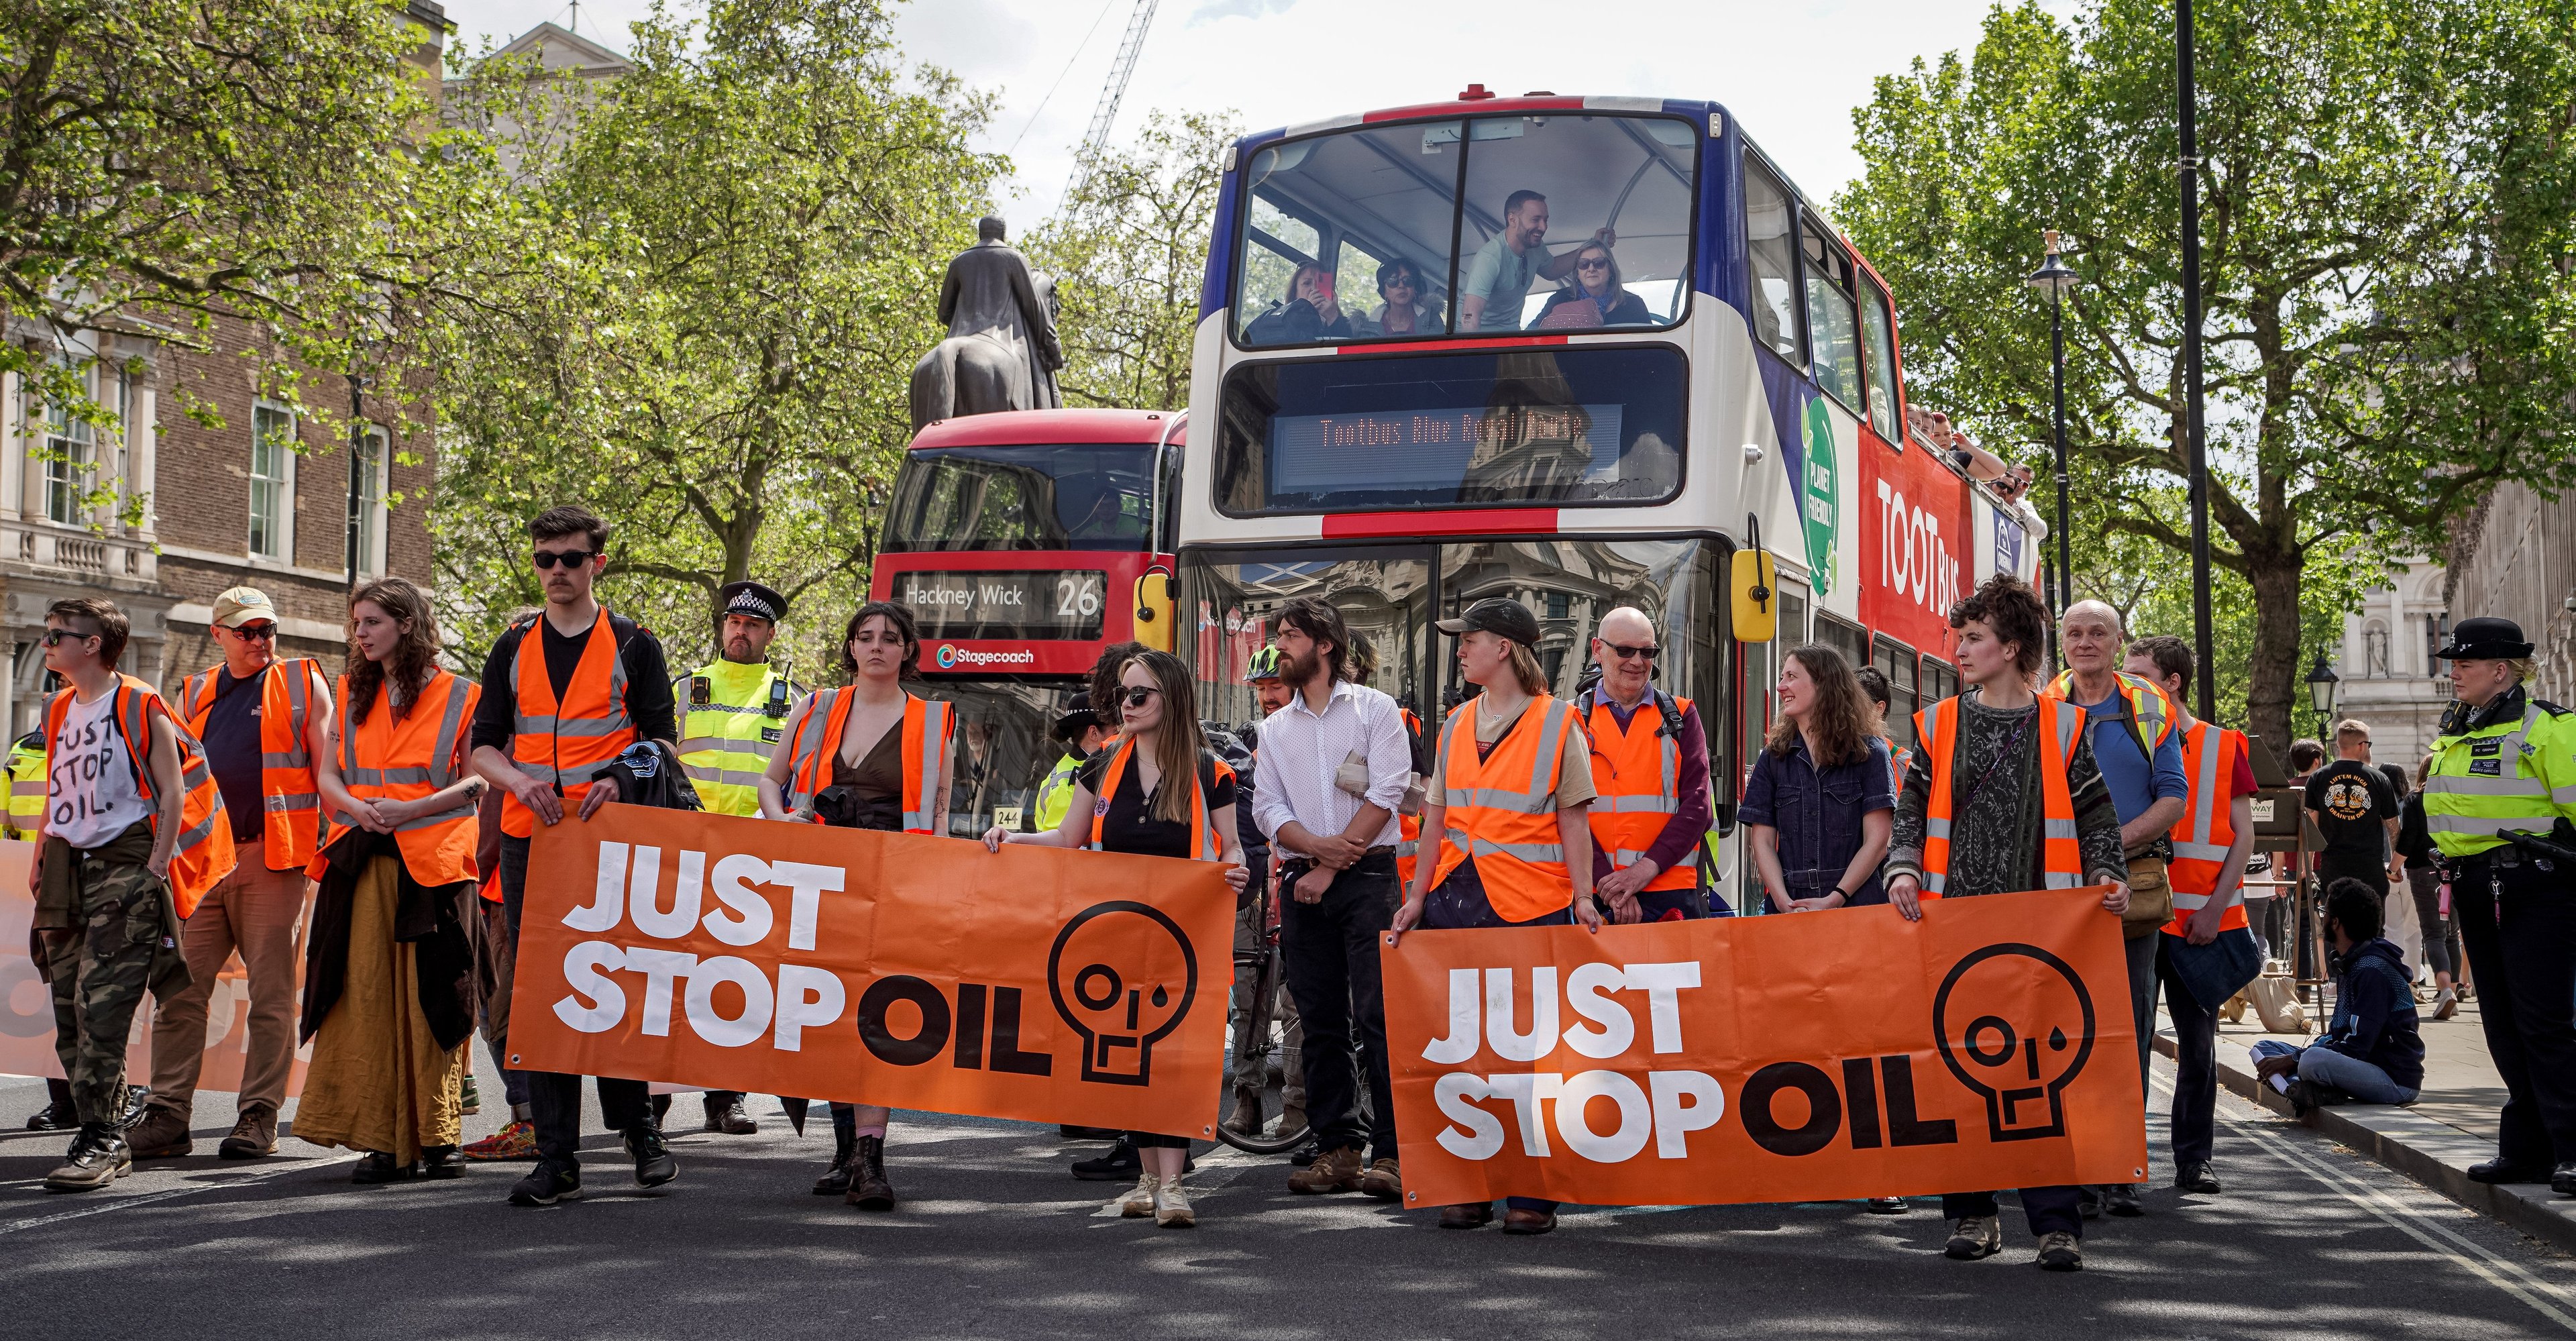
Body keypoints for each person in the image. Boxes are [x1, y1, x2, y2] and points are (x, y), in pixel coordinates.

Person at [1884, 574, 2129, 1271]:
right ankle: (1971, 1214)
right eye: (1962, 638)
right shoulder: (1937, 723)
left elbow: (2095, 814)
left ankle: (2056, 1225)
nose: (1961, 649)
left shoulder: (2064, 724)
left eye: (1975, 638)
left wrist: (2106, 875)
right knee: (1957, 1073)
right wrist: (1903, 869)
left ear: (2012, 647)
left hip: (2041, 929)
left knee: (2036, 1079)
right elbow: (1911, 809)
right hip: (1951, 923)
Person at [983, 649, 1248, 1228]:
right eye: (1122, 695)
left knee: (1175, 1058)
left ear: (1171, 698)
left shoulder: (1210, 771)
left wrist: (1235, 866)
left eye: (1139, 695)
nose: (1125, 705)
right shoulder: (1100, 766)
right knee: (1132, 1058)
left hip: (1186, 938)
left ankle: (1173, 1182)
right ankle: (1151, 1178)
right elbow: (1068, 838)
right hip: (1118, 933)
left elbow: (1230, 846)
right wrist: (1013, 838)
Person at [469, 504, 682, 1208]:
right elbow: (482, 748)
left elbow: (662, 742)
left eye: (569, 557)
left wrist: (619, 777)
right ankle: (557, 1158)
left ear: (599, 562)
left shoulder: (633, 644)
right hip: (534, 841)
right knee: (545, 996)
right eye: (544, 559)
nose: (556, 570)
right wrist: (519, 783)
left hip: (610, 837)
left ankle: (639, 1128)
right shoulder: (513, 644)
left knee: (613, 983)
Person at [1393, 596, 1604, 1234]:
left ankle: (1531, 1191)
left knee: (1530, 1056)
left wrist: (1586, 896)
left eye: (1470, 638)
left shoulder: (1558, 722)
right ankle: (1471, 1184)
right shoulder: (1457, 722)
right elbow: (1436, 819)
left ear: (1505, 648)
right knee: (1465, 1051)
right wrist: (1417, 897)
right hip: (1458, 900)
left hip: (1530, 905)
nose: (1459, 648)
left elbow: (1574, 819)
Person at [118, 587, 333, 1163]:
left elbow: (328, 768)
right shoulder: (195, 691)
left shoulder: (301, 681)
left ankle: (259, 1117)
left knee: (271, 995)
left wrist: (337, 848)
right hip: (207, 862)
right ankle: (168, 1115)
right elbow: (173, 782)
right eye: (247, 631)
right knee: (180, 991)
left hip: (274, 860)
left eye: (266, 629)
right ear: (218, 634)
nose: (260, 640)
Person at [30, 596, 233, 1191]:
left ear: (92, 645)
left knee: (103, 1005)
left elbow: (173, 792)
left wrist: (156, 864)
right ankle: (106, 1120)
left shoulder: (139, 702)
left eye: (56, 635)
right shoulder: (59, 706)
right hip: (68, 867)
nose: (48, 643)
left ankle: (101, 1136)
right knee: (67, 1004)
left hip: (125, 863)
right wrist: (44, 851)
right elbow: (58, 789)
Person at [759, 600, 955, 1210]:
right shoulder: (814, 708)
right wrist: (782, 821)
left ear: (906, 650)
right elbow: (771, 780)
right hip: (816, 878)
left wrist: (933, 886)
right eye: (865, 637)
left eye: (890, 638)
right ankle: (844, 1149)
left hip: (890, 885)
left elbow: (941, 814)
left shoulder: (933, 720)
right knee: (824, 1010)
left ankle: (871, 1159)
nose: (877, 646)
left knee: (876, 1015)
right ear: (850, 648)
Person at [297, 578, 485, 1183]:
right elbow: (326, 777)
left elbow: (477, 782)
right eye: (356, 623)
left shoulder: (462, 695)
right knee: (367, 999)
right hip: (363, 859)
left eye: (372, 621)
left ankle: (439, 1137)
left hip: (434, 866)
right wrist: (355, 806)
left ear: (407, 623)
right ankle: (380, 1137)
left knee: (435, 998)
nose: (360, 633)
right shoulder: (351, 690)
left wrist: (409, 809)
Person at [1251, 598, 1414, 1201]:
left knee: (1379, 1016)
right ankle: (1337, 1149)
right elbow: (1267, 807)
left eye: (1290, 635)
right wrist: (1317, 857)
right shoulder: (1273, 728)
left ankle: (1393, 1153)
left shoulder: (1375, 710)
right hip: (1304, 881)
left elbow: (1392, 787)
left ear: (1325, 644)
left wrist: (1328, 861)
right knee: (1318, 1021)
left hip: (1369, 878)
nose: (1280, 646)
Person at [2419, 617, 2576, 1193]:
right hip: (2475, 890)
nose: (2454, 672)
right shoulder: (2457, 731)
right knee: (2503, 1026)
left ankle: (2572, 1148)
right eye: (2454, 663)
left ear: (2501, 670)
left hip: (2535, 890)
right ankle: (2528, 1149)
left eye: (2465, 663)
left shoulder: (2550, 729)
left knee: (2546, 1024)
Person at [2042, 600, 2184, 1214]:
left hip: (2130, 890)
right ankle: (2074, 1162)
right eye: (2073, 633)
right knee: (2064, 1029)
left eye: (2098, 632)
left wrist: (2107, 843)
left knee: (2128, 1027)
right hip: (2055, 892)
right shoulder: (2042, 704)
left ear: (2118, 640)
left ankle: (2121, 1166)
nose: (2085, 642)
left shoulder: (2149, 707)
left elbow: (2172, 799)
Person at [2125, 634, 2259, 1206]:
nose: (2127, 684)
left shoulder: (2224, 744)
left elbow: (2244, 836)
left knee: (2199, 1049)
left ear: (2172, 681)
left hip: (2201, 921)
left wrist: (2211, 908)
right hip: (2135, 917)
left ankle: (2194, 1157)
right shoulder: (2123, 735)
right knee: (2125, 1046)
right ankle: (2122, 1165)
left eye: (2139, 674)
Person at [669, 578, 800, 1137]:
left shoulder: (794, 700)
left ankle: (727, 1097)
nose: (739, 631)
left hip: (752, 864)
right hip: (683, 850)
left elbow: (800, 781)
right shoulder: (685, 687)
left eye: (751, 625)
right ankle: (651, 1102)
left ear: (769, 633)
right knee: (670, 975)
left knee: (733, 980)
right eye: (732, 622)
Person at [1576, 608, 1715, 920]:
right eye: (1625, 650)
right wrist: (1609, 884)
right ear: (1598, 650)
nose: (1637, 662)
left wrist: (1641, 872)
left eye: (1648, 651)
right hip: (1593, 894)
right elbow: (1563, 812)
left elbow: (1698, 807)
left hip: (1671, 893)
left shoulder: (1681, 716)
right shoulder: (1571, 720)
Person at [1741, 644, 1892, 916]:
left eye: (1791, 677)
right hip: (1790, 909)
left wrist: (1834, 900)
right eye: (1782, 677)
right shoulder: (1774, 758)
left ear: (1824, 684)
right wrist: (1784, 904)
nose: (1780, 687)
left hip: (1857, 911)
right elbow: (1761, 842)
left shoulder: (1870, 753)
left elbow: (1878, 842)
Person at [2253, 879, 2425, 1111]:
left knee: (2312, 1062)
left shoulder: (2372, 970)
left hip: (2393, 1079)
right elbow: (2338, 1033)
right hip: (2360, 1063)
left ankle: (2306, 1087)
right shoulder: (2351, 962)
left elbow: (2357, 1045)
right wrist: (2295, 1057)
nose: (2321, 917)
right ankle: (2309, 1089)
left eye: (2324, 912)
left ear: (2335, 923)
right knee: (2265, 1048)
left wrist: (2295, 1060)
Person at [1224, 644, 1301, 1138]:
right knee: (1247, 1005)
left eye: (1275, 686)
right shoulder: (1250, 745)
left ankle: (1297, 1108)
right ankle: (1247, 1100)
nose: (1267, 697)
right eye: (1260, 689)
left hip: (1295, 886)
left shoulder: (1309, 739)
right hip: (1256, 891)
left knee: (1296, 1007)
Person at [1458, 191, 1612, 331]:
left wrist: (1592, 244)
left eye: (1545, 220)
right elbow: (1469, 316)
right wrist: (1473, 354)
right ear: (1512, 220)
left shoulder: (1535, 248)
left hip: (1509, 336)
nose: (1543, 227)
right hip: (1478, 340)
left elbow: (1553, 270)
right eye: (1536, 220)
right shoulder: (1489, 259)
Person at [2305, 719, 2402, 904]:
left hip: (2333, 866)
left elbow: (2311, 825)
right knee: (2372, 926)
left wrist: (2307, 868)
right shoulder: (2379, 779)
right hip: (2370, 866)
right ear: (2362, 746)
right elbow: (2393, 828)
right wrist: (2395, 868)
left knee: (2336, 923)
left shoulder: (2318, 778)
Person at [2395, 754, 2459, 1019]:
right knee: (2452, 933)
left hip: (2423, 869)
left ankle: (2445, 989)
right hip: (2456, 869)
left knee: (2432, 933)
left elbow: (2407, 839)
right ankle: (2453, 990)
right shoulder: (2456, 795)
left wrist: (2393, 867)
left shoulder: (2414, 800)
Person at [1033, 693, 1110, 835]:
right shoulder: (1068, 783)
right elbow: (1064, 846)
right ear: (1094, 733)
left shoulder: (1085, 767)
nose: (1121, 734)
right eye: (1115, 729)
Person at [1532, 242, 1652, 329]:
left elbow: (1651, 347)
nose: (1591, 269)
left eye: (1599, 263)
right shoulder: (1559, 300)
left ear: (1611, 269)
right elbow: (1533, 333)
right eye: (1584, 264)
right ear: (1577, 273)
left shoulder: (1633, 304)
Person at [1244, 262, 1353, 344]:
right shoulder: (1281, 320)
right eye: (1307, 283)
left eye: (1321, 284)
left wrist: (1333, 318)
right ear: (1294, 292)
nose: (1314, 289)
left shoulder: (1344, 324)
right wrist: (1304, 310)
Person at [1349, 258, 1442, 337]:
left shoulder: (1432, 321)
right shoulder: (1367, 329)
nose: (1401, 286)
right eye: (1393, 281)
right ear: (1384, 292)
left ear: (1415, 290)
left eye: (1408, 280)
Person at [1855, 665, 1910, 790]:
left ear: (1879, 709)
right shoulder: (1837, 760)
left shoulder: (1909, 767)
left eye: (1856, 704)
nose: (1848, 711)